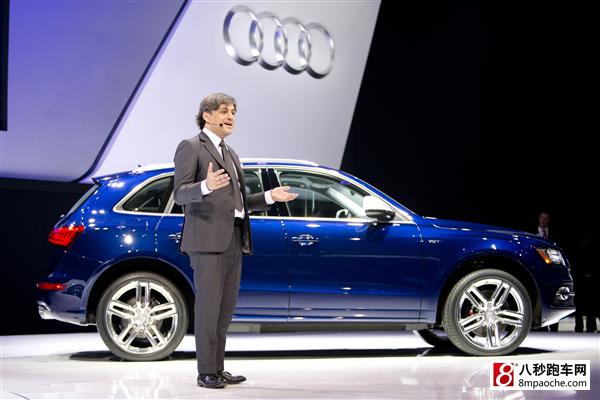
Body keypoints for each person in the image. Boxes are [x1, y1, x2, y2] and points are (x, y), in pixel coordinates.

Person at [172, 92, 298, 389]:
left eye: (233, 112)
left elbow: (239, 203)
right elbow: (179, 194)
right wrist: (205, 186)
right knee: (209, 309)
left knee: (224, 309)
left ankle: (218, 368)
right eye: (224, 111)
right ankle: (206, 372)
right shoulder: (191, 146)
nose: (231, 117)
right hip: (207, 241)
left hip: (234, 238)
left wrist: (269, 196)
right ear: (206, 115)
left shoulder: (231, 153)